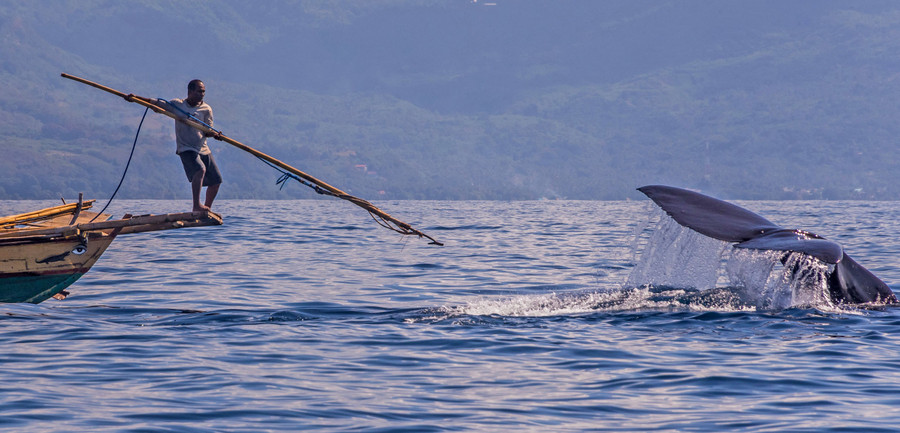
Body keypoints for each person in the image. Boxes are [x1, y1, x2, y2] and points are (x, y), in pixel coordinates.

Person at [127, 79, 223, 212]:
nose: (202, 94)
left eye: (203, 92)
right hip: (186, 148)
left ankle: (207, 209)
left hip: (203, 148)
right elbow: (155, 103)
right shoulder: (178, 105)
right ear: (190, 91)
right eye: (199, 91)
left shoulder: (206, 109)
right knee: (200, 170)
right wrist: (135, 98)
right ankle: (196, 206)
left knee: (216, 180)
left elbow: (208, 131)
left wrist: (215, 135)